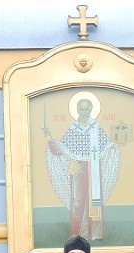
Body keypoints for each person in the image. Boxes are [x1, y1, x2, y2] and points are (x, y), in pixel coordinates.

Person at [45, 95, 120, 241]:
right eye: (81, 109)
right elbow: (61, 149)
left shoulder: (96, 127)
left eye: (86, 109)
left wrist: (114, 145)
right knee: (77, 201)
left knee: (94, 200)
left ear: (91, 110)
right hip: (77, 169)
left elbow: (107, 145)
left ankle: (95, 233)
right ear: (77, 110)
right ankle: (75, 234)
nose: (84, 112)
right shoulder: (73, 128)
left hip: (93, 168)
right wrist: (49, 138)